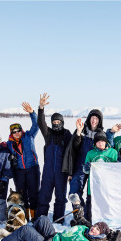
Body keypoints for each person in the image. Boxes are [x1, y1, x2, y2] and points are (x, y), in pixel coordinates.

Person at [36, 93, 72, 223]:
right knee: (44, 196)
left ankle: (58, 220)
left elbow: (72, 153)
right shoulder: (48, 134)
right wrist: (41, 108)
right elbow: (41, 122)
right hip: (48, 171)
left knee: (60, 198)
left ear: (62, 122)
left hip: (62, 172)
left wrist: (70, 172)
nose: (56, 124)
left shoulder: (67, 134)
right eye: (54, 122)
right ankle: (40, 219)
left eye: (58, 122)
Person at [62, 109, 107, 212]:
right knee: (74, 192)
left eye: (96, 118)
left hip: (96, 169)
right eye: (92, 118)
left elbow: (107, 150)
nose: (94, 121)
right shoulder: (82, 131)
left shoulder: (102, 134)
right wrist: (78, 132)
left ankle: (89, 215)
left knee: (93, 195)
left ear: (100, 121)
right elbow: (75, 147)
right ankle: (79, 214)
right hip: (80, 166)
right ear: (89, 119)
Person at [7, 102, 40, 221]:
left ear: (21, 130)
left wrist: (32, 113)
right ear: (11, 133)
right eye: (14, 132)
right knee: (22, 194)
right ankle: (25, 215)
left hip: (32, 168)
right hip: (19, 171)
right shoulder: (9, 144)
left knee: (34, 193)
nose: (17, 133)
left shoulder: (29, 136)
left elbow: (36, 125)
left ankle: (35, 216)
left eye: (18, 131)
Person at [83, 131, 118, 222]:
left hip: (108, 186)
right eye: (98, 141)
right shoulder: (90, 153)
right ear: (95, 143)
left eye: (102, 141)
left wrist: (120, 159)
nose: (100, 143)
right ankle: (89, 222)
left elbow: (118, 168)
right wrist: (86, 167)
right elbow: (85, 171)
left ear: (106, 142)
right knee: (91, 205)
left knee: (107, 205)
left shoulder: (113, 152)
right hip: (94, 186)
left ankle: (109, 221)